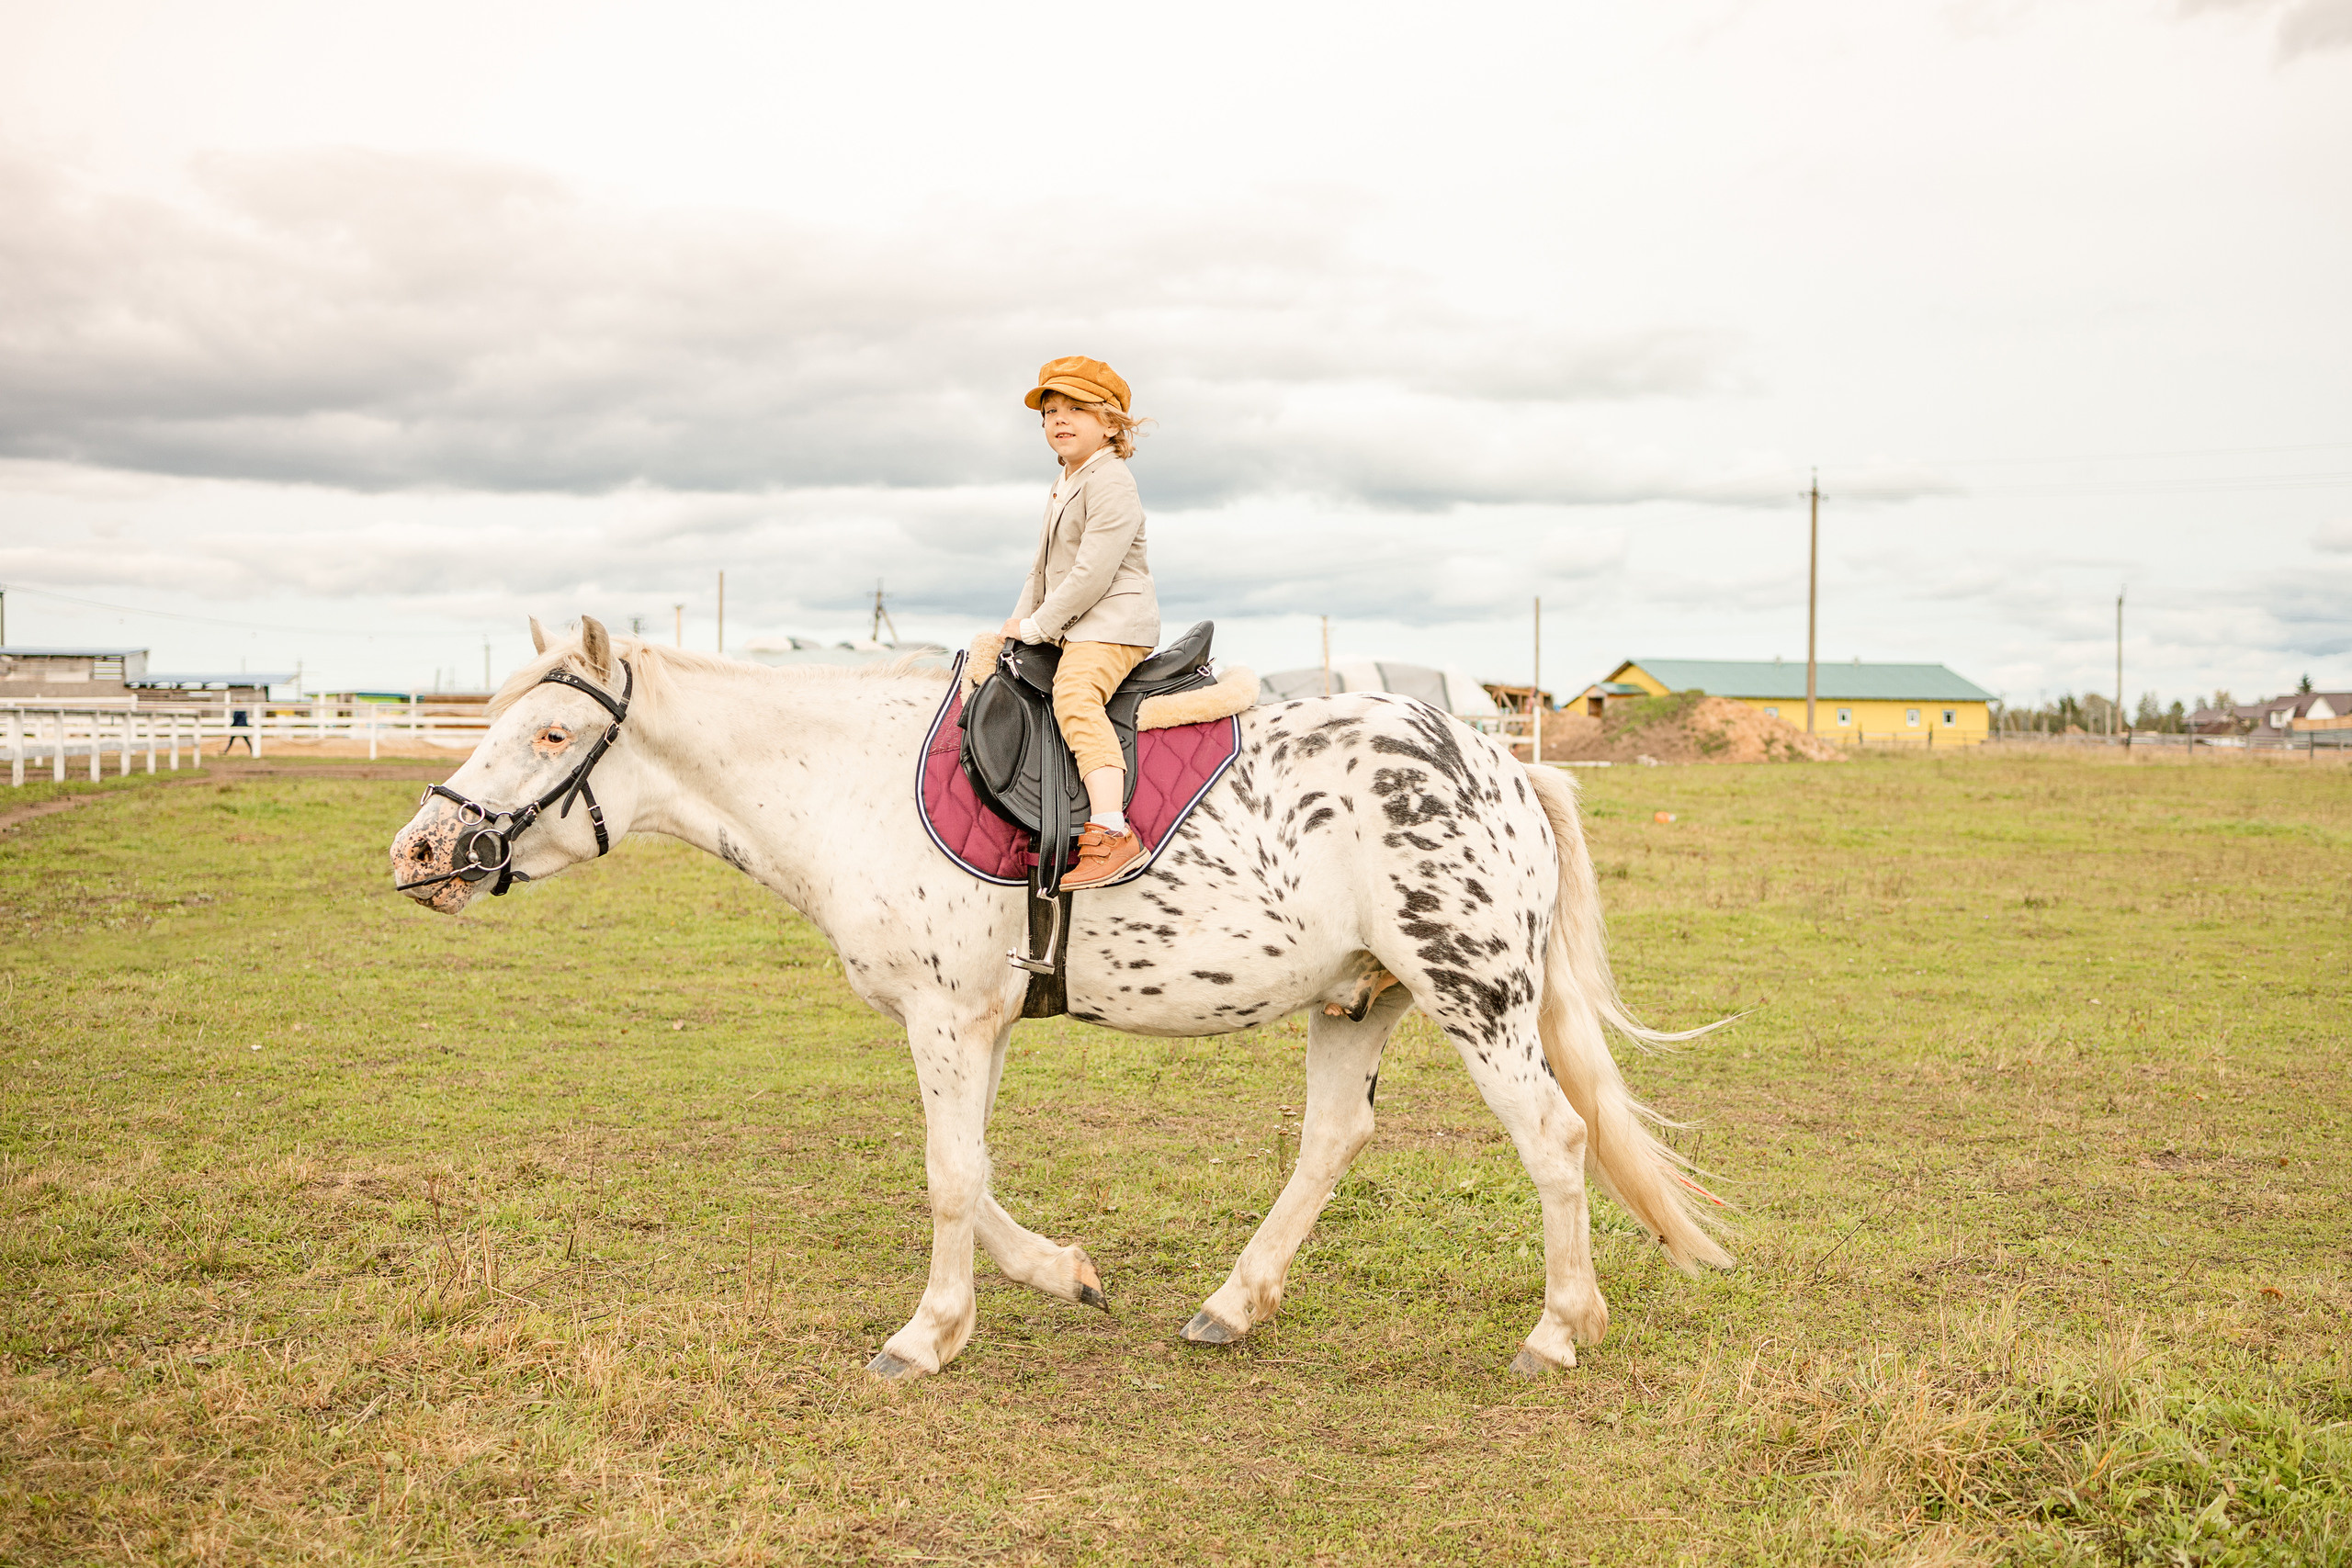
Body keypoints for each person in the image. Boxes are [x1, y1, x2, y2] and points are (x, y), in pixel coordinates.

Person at [1001, 355, 1159, 888]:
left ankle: (1112, 830)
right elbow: (1042, 569)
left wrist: (1039, 628)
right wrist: (1015, 623)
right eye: (1050, 412)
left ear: (1111, 424)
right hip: (1076, 620)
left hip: (1112, 623)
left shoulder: (1111, 479)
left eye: (1075, 409)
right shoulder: (1066, 481)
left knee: (1073, 694)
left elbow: (1093, 573)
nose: (1059, 420)